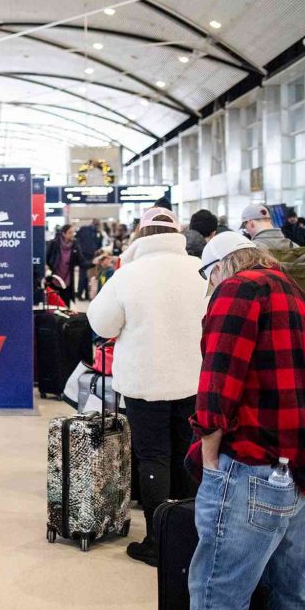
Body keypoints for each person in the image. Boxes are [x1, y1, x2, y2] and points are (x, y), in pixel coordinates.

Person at [187, 232, 305, 610]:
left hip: (254, 466)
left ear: (218, 267)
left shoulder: (238, 288)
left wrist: (210, 457)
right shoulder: (303, 299)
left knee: (220, 592)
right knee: (295, 590)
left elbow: (218, 381)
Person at [86, 207, 209, 566]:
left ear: (140, 236)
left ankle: (158, 540)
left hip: (145, 380)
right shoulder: (199, 270)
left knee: (153, 455)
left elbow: (104, 324)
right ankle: (189, 534)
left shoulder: (130, 274)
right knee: (188, 453)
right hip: (193, 378)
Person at [45, 224, 85, 307]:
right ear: (64, 234)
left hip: (67, 281)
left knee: (65, 307)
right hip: (54, 280)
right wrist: (45, 265)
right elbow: (46, 257)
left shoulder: (75, 245)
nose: (72, 234)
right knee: (54, 306)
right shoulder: (54, 244)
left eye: (73, 232)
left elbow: (81, 261)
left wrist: (94, 262)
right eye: (70, 232)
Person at [75, 220, 103, 300]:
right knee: (87, 276)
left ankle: (83, 294)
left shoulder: (85, 229)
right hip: (87, 255)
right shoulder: (93, 231)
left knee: (86, 276)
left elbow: (76, 239)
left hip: (87, 255)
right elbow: (99, 245)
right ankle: (83, 294)